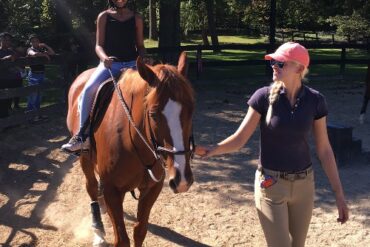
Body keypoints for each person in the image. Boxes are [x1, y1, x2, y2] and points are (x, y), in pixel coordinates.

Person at [195, 42, 349, 247]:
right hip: (270, 184)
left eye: (280, 63)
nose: (274, 66)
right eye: (273, 62)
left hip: (304, 186)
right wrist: (212, 150)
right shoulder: (263, 97)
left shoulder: (316, 101)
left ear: (299, 69)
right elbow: (240, 139)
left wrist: (339, 195)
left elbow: (324, 149)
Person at [61, 0, 146, 153]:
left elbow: (140, 45)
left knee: (153, 89)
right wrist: (104, 58)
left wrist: (144, 58)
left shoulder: (137, 18)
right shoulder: (104, 16)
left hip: (133, 63)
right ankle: (82, 135)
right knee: (88, 89)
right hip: (110, 64)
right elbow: (98, 45)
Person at [26, 34, 55, 121]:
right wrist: (44, 55)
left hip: (41, 74)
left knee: (39, 96)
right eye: (33, 41)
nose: (35, 42)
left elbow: (52, 53)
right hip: (33, 75)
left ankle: (37, 114)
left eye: (37, 41)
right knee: (33, 96)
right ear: (30, 42)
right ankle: (31, 116)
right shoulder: (29, 49)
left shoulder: (41, 49)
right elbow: (33, 54)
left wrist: (45, 46)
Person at [0, 32, 21, 118]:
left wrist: (14, 56)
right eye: (5, 39)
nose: (7, 41)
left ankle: (8, 121)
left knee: (9, 100)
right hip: (2, 80)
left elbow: (17, 56)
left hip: (11, 79)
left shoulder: (11, 51)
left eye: (9, 40)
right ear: (0, 40)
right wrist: (3, 59)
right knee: (2, 101)